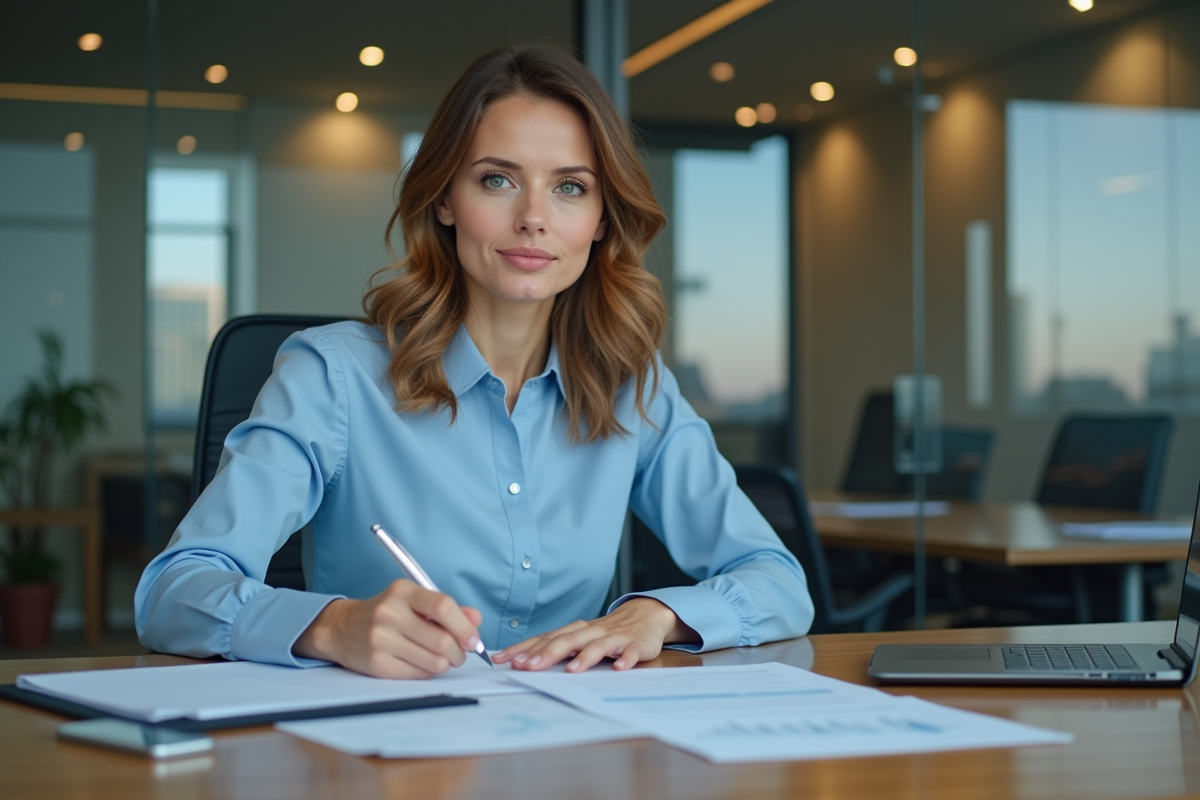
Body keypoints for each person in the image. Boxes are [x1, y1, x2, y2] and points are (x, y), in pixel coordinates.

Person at [135, 44, 813, 679]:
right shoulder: (333, 378)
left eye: (570, 188)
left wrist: (656, 616)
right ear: (444, 199)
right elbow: (174, 590)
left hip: (570, 747)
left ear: (603, 218)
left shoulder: (632, 388)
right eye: (497, 180)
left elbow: (776, 581)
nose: (534, 218)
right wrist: (332, 626)